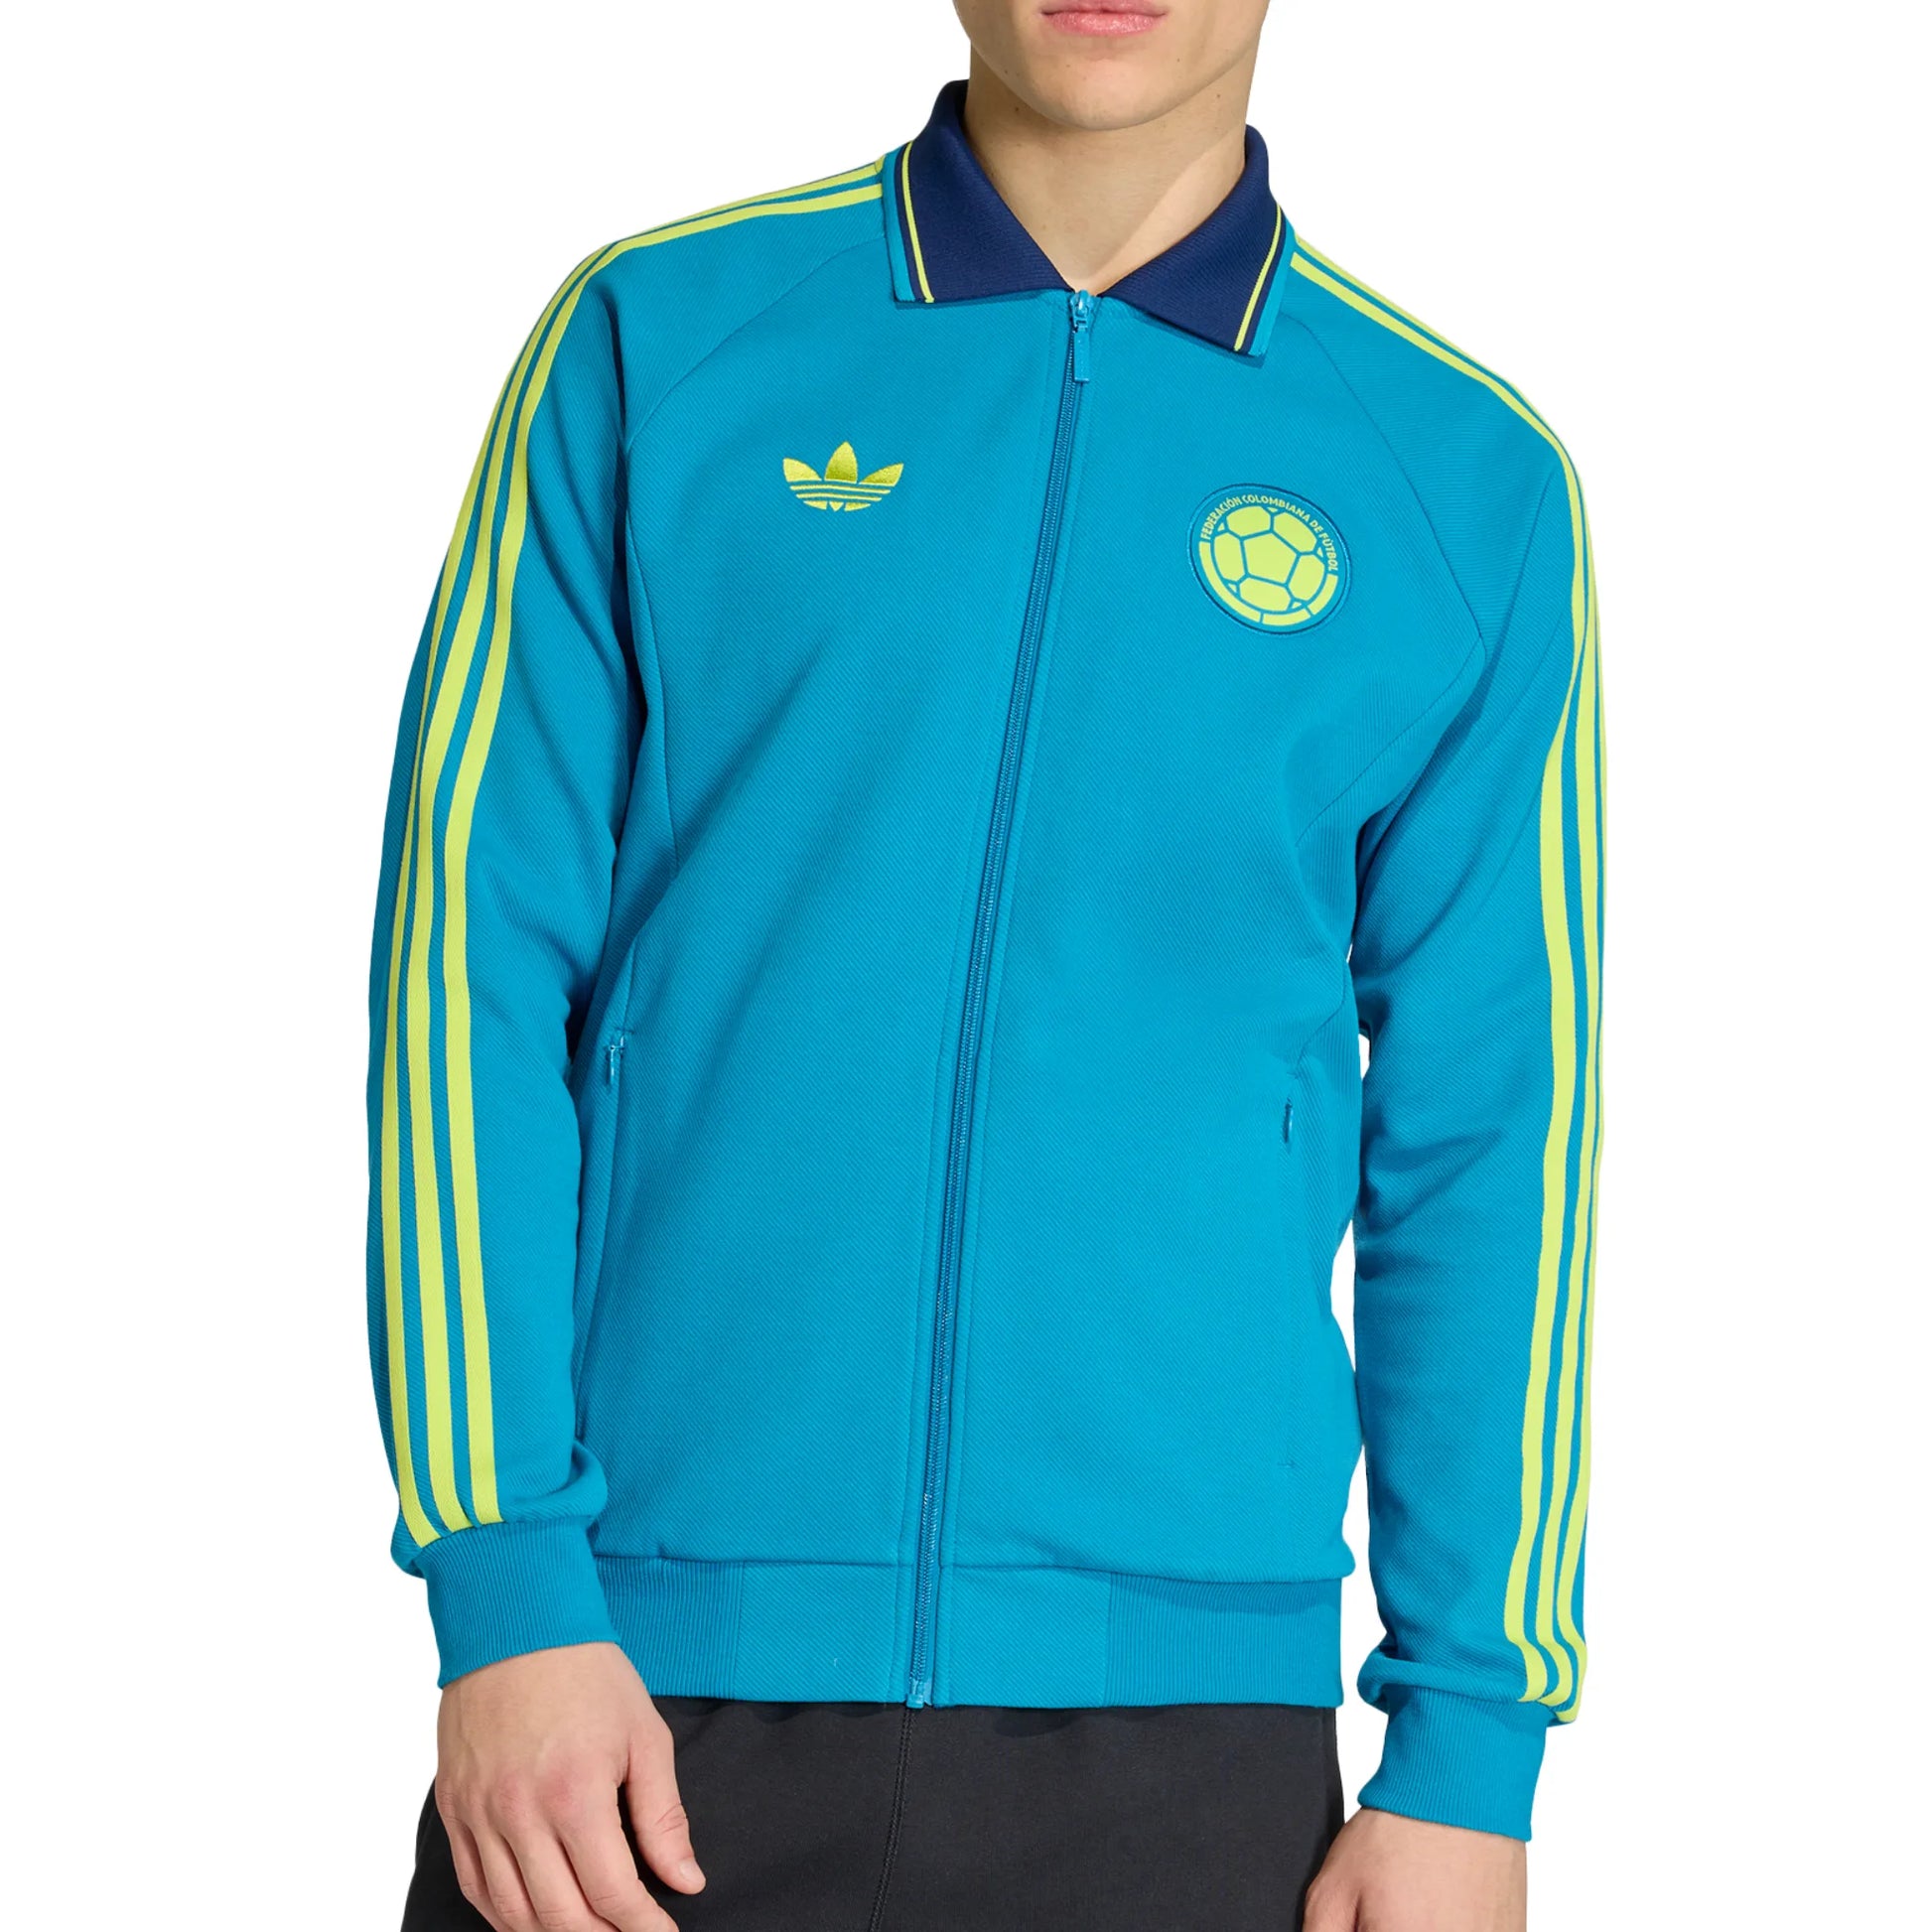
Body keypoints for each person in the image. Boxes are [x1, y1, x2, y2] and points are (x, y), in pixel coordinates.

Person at [366, 1, 1603, 1926]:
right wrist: (506, 1580)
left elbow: (1488, 1142)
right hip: (631, 1694)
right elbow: (468, 976)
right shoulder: (658, 343)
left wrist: (1470, 1750)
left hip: (1185, 1744)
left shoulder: (1460, 479)